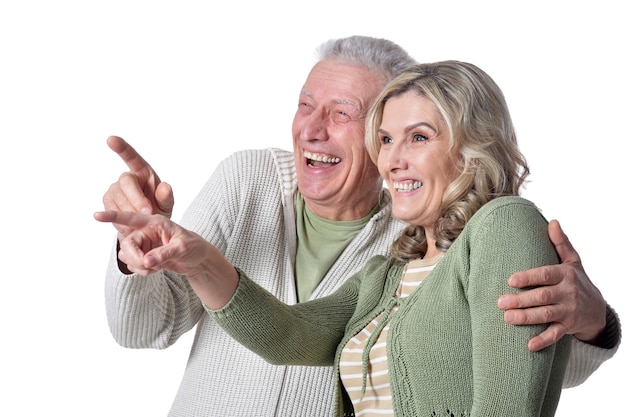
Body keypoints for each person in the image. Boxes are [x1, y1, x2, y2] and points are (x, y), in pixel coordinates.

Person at [97, 37, 620, 416]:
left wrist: (594, 322)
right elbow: (285, 334)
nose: (313, 128)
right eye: (305, 105)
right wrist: (187, 256)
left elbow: (527, 363)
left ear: (466, 147)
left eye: (416, 136)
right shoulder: (389, 266)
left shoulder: (489, 227)